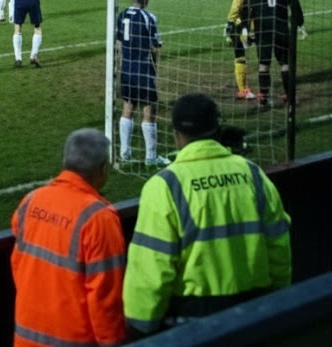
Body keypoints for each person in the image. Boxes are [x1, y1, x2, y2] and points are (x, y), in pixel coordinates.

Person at [123, 93, 292, 334]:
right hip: (255, 313)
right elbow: (279, 245)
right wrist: (277, 298)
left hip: (193, 323)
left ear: (176, 136)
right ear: (217, 129)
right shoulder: (253, 174)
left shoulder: (165, 186)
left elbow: (152, 268)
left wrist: (140, 324)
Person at [11, 129, 127, 347]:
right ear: (103, 170)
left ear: (66, 161)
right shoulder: (99, 219)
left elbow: (19, 263)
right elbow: (105, 298)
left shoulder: (30, 201)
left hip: (25, 338)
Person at [116, 0, 167, 167]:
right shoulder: (149, 17)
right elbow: (155, 48)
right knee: (149, 110)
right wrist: (154, 64)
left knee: (128, 106)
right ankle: (151, 157)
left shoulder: (122, 15)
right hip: (143, 69)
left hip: (127, 68)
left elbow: (119, 43)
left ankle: (124, 153)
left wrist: (119, 67)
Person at [247, 0, 304, 107]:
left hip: (263, 28)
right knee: (285, 64)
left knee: (263, 64)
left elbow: (251, 9)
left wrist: (248, 28)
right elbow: (296, 7)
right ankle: (289, 96)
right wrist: (299, 23)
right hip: (281, 27)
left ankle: (263, 97)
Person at [226, 0, 263, 100]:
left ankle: (243, 90)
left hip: (240, 26)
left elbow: (236, 7)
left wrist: (229, 22)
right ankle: (263, 90)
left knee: (240, 56)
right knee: (263, 58)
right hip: (258, 26)